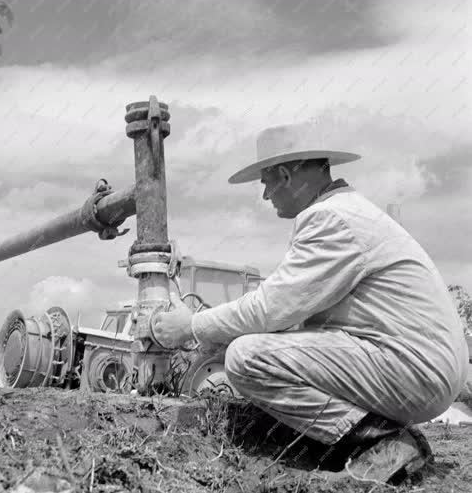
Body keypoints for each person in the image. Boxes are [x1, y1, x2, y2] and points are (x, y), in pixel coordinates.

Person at [154, 122, 469, 481]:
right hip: (416, 362)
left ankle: (383, 442)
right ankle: (375, 435)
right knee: (261, 346)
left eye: (265, 183)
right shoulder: (347, 211)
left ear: (285, 175)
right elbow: (289, 316)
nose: (265, 195)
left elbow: (271, 308)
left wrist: (191, 325)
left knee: (247, 358)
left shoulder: (330, 218)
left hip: (416, 368)